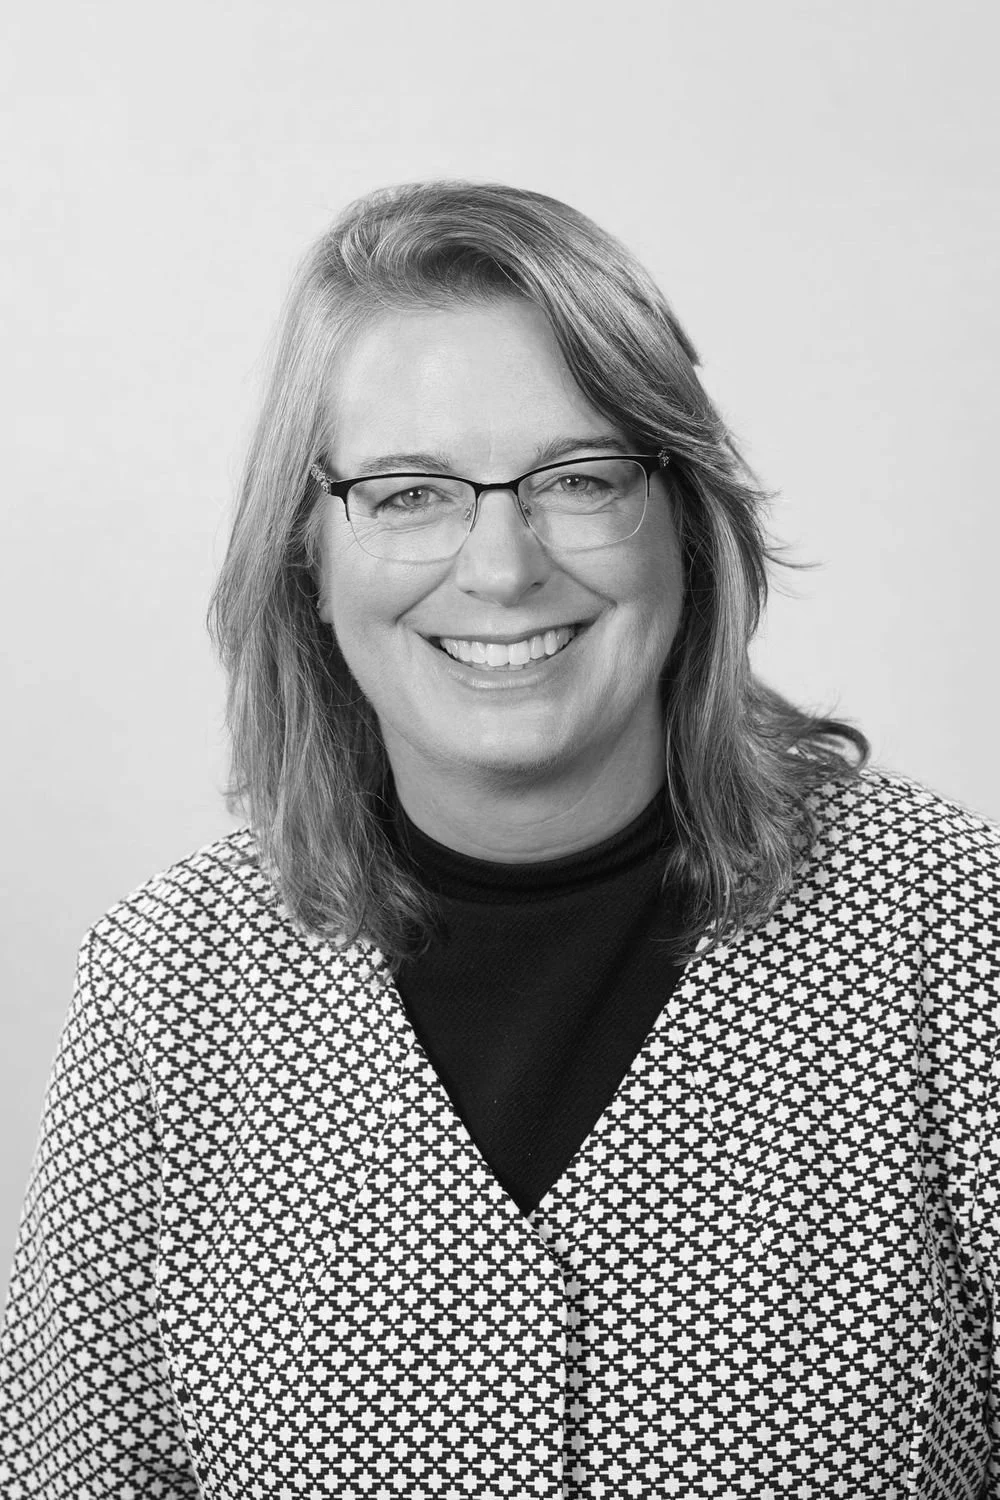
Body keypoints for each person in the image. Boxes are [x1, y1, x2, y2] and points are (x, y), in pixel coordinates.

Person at [1, 179, 998, 1500]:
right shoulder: (168, 988)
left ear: (685, 519)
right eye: (408, 493)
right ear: (307, 551)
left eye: (578, 478)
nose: (502, 566)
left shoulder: (953, 929)